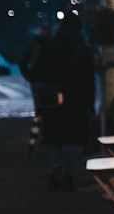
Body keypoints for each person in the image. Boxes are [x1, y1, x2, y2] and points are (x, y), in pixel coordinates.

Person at [31, 13, 96, 191]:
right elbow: (89, 79)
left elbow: (37, 72)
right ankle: (70, 173)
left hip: (52, 99)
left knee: (54, 136)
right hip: (76, 99)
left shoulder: (50, 46)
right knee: (72, 138)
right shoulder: (82, 48)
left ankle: (56, 167)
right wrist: (90, 103)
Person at [18, 24, 53, 153]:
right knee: (52, 108)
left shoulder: (34, 46)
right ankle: (49, 135)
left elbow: (22, 61)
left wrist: (29, 75)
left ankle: (40, 135)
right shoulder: (52, 46)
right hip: (50, 81)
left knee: (39, 109)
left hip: (37, 80)